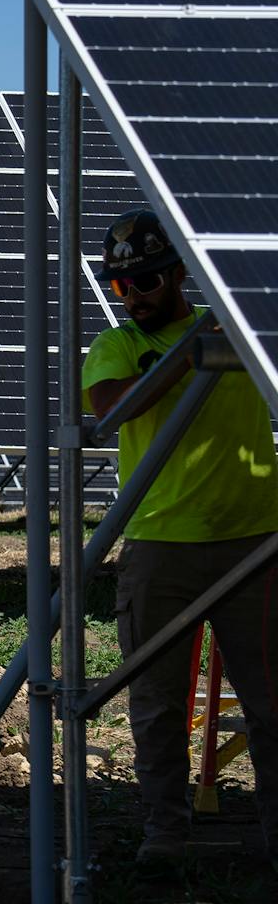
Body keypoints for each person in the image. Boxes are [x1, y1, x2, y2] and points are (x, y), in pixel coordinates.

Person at [81, 209, 278, 870]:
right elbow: (112, 409)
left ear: (178, 274)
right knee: (159, 703)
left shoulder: (247, 334)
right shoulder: (116, 349)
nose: (134, 294)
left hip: (255, 542)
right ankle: (166, 835)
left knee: (270, 705)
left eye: (146, 279)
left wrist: (225, 325)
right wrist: (194, 344)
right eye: (122, 286)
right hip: (159, 546)